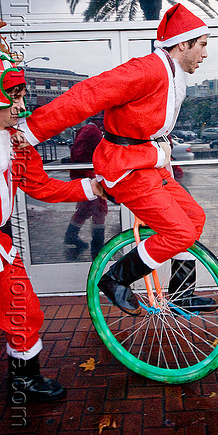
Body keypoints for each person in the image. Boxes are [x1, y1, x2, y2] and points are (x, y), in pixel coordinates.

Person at [18, 3, 218, 316]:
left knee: (195, 219)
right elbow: (88, 94)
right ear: (184, 43)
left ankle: (181, 294)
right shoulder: (147, 69)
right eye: (203, 45)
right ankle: (115, 280)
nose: (205, 53)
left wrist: (163, 157)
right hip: (125, 168)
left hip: (148, 165)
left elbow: (152, 128)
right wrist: (29, 131)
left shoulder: (173, 73)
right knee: (179, 232)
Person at [0, 49, 105, 403]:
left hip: (1, 245)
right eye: (12, 97)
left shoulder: (16, 143)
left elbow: (41, 186)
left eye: (21, 96)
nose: (21, 106)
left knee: (22, 308)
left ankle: (23, 380)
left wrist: (92, 187)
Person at [64, 115, 108, 259]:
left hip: (82, 176)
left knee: (83, 210)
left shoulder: (85, 129)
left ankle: (71, 236)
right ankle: (97, 246)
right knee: (99, 211)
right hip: (89, 177)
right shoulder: (94, 132)